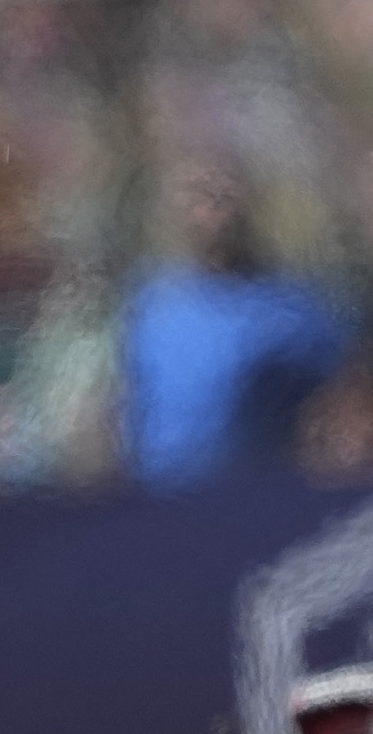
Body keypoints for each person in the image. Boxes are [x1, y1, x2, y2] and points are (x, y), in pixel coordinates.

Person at [114, 167, 347, 491]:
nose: (211, 215)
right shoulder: (151, 305)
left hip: (251, 497)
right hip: (158, 496)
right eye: (197, 198)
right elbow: (128, 403)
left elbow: (340, 397)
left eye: (222, 200)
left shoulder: (291, 310)